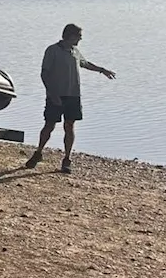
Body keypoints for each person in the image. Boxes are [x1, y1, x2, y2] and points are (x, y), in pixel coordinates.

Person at [25, 23, 116, 173]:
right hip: (56, 95)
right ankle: (38, 153)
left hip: (73, 95)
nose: (81, 39)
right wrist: (52, 94)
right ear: (70, 36)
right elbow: (44, 74)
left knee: (69, 126)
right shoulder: (52, 50)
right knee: (49, 125)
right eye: (79, 36)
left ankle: (67, 159)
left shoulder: (75, 51)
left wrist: (102, 70)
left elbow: (85, 63)